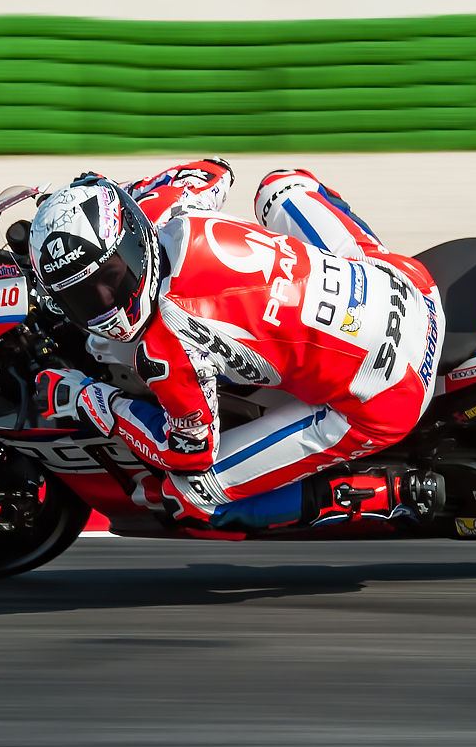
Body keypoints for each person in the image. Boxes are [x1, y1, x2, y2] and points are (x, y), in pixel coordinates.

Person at [28, 158, 443, 530]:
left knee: (191, 495)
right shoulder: (171, 205)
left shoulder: (170, 344)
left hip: (391, 392)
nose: (106, 303)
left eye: (113, 276)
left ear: (132, 242)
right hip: (408, 283)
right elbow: (214, 170)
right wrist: (124, 193)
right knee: (281, 186)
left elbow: (187, 455)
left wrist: (93, 401)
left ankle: (386, 492)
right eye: (82, 295)